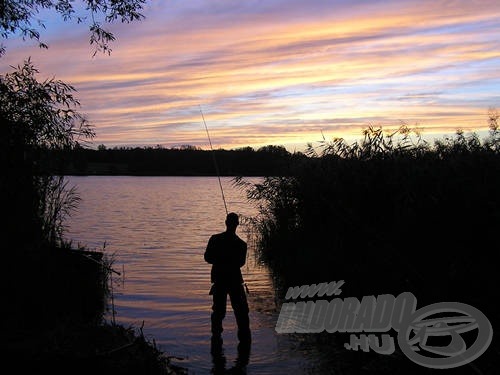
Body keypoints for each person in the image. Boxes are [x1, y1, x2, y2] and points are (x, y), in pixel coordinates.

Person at [204, 212, 251, 346]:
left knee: (219, 312)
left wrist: (220, 259)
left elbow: (207, 258)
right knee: (241, 312)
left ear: (226, 223)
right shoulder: (241, 244)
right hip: (234, 281)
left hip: (221, 280)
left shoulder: (215, 239)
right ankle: (245, 344)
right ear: (237, 224)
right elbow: (240, 263)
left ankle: (216, 339)